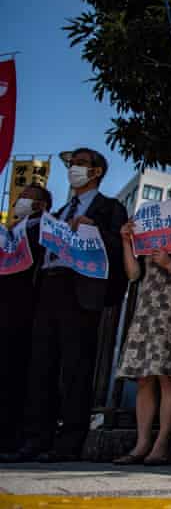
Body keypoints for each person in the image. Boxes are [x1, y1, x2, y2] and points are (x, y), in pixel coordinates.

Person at [1, 148, 127, 463]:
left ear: (96, 172)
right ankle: (35, 438)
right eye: (72, 164)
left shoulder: (109, 208)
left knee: (75, 368)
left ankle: (69, 441)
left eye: (81, 164)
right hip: (47, 289)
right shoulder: (55, 214)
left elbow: (120, 248)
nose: (74, 168)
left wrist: (91, 229)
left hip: (81, 292)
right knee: (40, 367)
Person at [113, 183, 171, 466]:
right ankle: (142, 442)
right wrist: (127, 242)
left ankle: (161, 443)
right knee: (144, 378)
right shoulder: (150, 233)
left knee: (168, 377)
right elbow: (133, 273)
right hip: (147, 307)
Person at [0, 184, 52, 453]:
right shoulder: (12, 230)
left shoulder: (47, 229)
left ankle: (12, 435)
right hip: (5, 305)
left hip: (27, 308)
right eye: (20, 197)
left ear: (42, 205)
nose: (20, 200)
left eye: (28, 197)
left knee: (17, 372)